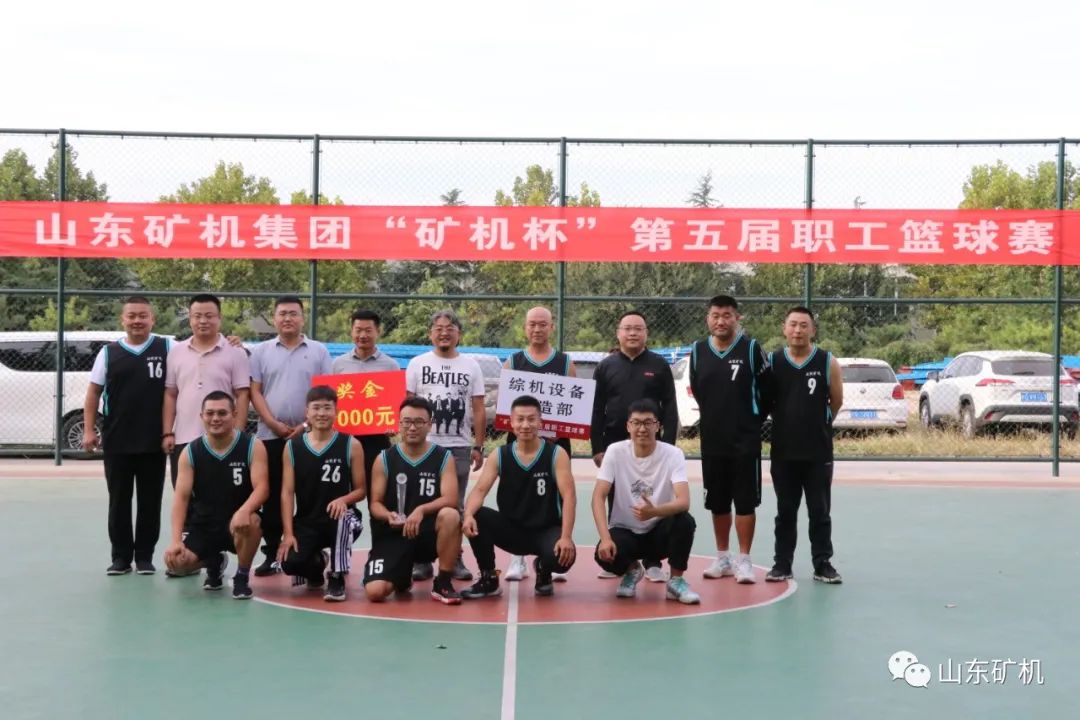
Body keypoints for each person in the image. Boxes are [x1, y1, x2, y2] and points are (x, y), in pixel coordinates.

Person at [83, 296, 171, 576]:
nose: (137, 321)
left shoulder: (167, 347)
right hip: (117, 440)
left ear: (152, 319)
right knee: (119, 501)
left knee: (150, 502)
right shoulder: (108, 353)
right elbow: (93, 392)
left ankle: (144, 557)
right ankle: (120, 558)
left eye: (142, 315)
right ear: (122, 320)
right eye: (131, 316)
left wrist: (231, 342)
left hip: (153, 441)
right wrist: (88, 429)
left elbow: (199, 347)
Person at [690, 295, 772, 584]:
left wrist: (750, 421)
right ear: (707, 319)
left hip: (745, 441)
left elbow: (767, 391)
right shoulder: (698, 351)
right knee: (718, 501)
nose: (721, 321)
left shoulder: (751, 348)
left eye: (727, 315)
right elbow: (699, 390)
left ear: (737, 318)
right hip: (712, 440)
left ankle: (744, 561)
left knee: (745, 502)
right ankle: (723, 557)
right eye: (715, 315)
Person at [248, 295, 333, 576]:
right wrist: (272, 423)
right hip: (270, 435)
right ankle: (273, 552)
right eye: (282, 313)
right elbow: (255, 391)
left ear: (302, 318)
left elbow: (325, 393)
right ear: (274, 318)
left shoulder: (319, 351)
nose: (288, 318)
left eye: (293, 313)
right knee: (272, 495)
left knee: (309, 493)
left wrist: (306, 425)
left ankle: (311, 545)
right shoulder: (260, 351)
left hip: (311, 437)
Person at [590, 310, 677, 583]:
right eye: (627, 328)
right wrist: (597, 447)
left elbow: (670, 407)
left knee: (654, 496)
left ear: (646, 333)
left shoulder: (659, 365)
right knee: (617, 498)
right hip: (614, 444)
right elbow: (596, 409)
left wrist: (668, 445)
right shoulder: (606, 367)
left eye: (638, 328)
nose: (632, 333)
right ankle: (621, 556)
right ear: (618, 333)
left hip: (651, 445)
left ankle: (653, 561)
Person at [460, 395, 577, 599]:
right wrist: (468, 514)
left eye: (531, 419)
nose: (525, 425)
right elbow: (479, 490)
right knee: (476, 516)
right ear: (511, 423)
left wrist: (566, 537)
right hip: (512, 529)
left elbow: (569, 497)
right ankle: (489, 578)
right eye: (520, 419)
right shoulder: (500, 455)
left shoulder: (556, 454)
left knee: (563, 558)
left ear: (540, 422)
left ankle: (543, 569)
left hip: (546, 529)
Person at [591, 399, 700, 604]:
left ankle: (675, 581)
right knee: (602, 554)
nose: (642, 428)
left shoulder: (673, 454)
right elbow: (598, 496)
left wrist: (654, 511)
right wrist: (605, 538)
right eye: (636, 423)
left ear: (657, 426)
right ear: (628, 426)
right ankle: (632, 570)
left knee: (685, 521)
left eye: (648, 423)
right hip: (626, 530)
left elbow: (684, 501)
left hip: (658, 532)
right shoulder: (615, 451)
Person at [163, 391, 269, 599]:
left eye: (222, 413)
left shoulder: (252, 446)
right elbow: (181, 499)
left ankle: (242, 576)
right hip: (204, 524)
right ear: (201, 416)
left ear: (234, 414)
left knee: (253, 521)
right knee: (176, 563)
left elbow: (262, 488)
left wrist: (245, 510)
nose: (215, 418)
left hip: (237, 524)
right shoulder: (190, 452)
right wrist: (175, 540)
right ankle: (214, 562)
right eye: (210, 413)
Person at [404, 309, 485, 582]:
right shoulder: (417, 364)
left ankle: (454, 558)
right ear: (430, 334)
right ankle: (421, 559)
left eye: (450, 328)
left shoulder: (471, 366)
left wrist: (479, 445)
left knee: (455, 505)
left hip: (458, 446)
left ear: (458, 334)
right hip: (423, 447)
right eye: (438, 328)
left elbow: (478, 407)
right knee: (422, 502)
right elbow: (408, 405)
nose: (444, 332)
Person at [766, 307, 844, 585]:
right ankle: (782, 564)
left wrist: (817, 424)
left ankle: (822, 564)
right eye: (793, 324)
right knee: (785, 511)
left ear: (813, 330)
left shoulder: (827, 361)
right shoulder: (773, 362)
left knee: (819, 511)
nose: (798, 330)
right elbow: (767, 400)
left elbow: (836, 401)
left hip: (818, 452)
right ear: (784, 328)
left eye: (803, 325)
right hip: (784, 451)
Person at [502, 306, 578, 582]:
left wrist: (558, 429)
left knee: (557, 495)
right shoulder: (513, 362)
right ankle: (517, 557)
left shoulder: (565, 363)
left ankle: (553, 550)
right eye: (532, 324)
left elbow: (574, 406)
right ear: (525, 328)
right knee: (516, 494)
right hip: (520, 444)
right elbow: (504, 410)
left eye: (542, 324)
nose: (537, 329)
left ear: (551, 327)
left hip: (555, 444)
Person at [363, 397, 462, 605]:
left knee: (451, 515)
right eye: (407, 422)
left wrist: (421, 510)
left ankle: (443, 582)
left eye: (419, 422)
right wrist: (388, 515)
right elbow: (375, 504)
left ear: (430, 425)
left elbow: (451, 499)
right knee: (375, 592)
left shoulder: (443, 457)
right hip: (394, 534)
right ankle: (401, 576)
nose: (412, 427)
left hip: (427, 533)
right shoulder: (384, 458)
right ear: (399, 424)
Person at [277, 385, 365, 602]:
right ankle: (318, 564)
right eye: (316, 408)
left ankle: (337, 576)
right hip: (308, 520)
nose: (322, 413)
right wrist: (288, 533)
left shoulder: (351, 444)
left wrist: (343, 499)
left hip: (344, 520)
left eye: (327, 408)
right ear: (306, 412)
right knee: (289, 562)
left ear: (336, 411)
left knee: (342, 518)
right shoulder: (293, 447)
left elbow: (362, 490)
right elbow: (287, 492)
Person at [162, 294, 251, 488]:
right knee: (185, 495)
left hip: (224, 440)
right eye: (197, 316)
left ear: (219, 318)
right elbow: (170, 394)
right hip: (184, 438)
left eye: (209, 316)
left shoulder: (236, 352)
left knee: (226, 494)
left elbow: (242, 395)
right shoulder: (176, 352)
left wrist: (238, 433)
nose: (203, 321)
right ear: (190, 319)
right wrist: (168, 432)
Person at [330, 309, 401, 490]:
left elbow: (395, 403)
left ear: (378, 331)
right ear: (351, 332)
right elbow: (331, 400)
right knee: (344, 489)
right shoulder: (338, 364)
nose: (363, 335)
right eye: (358, 330)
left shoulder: (390, 365)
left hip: (377, 438)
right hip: (344, 438)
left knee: (377, 489)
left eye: (368, 330)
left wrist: (393, 424)